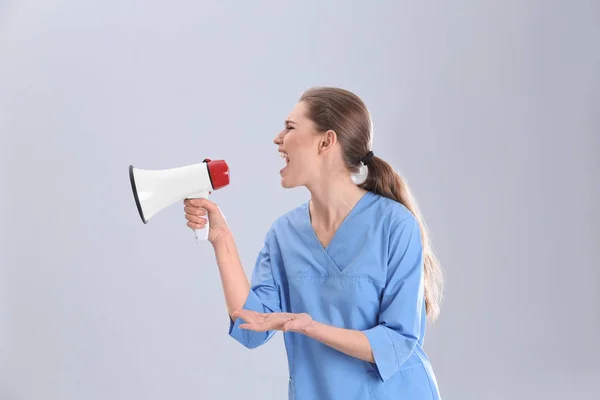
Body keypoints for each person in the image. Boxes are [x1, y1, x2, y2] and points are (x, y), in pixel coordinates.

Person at [183, 87, 443, 399]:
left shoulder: (395, 225)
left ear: (326, 141)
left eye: (290, 128)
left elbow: (397, 342)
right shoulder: (285, 234)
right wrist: (221, 240)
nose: (278, 138)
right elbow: (251, 326)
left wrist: (309, 327)